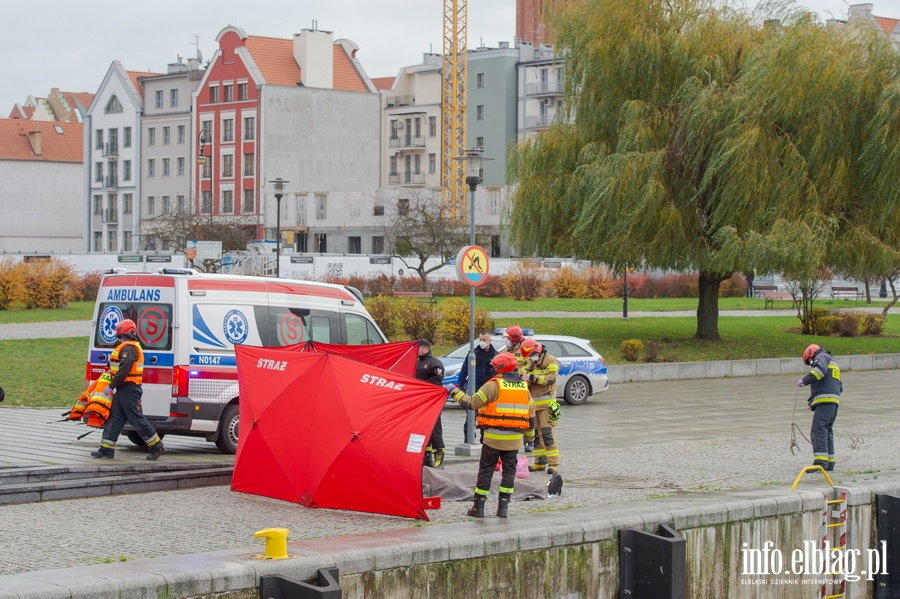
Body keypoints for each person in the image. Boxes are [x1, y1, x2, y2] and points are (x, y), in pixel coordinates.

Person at [446, 352, 534, 518]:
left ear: (499, 368)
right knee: (509, 473)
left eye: (494, 367)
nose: (492, 369)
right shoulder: (524, 388)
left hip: (493, 439)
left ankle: (478, 508)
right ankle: (503, 509)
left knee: (486, 471)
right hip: (514, 441)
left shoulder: (492, 386)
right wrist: (529, 439)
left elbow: (471, 403)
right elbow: (531, 417)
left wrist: (453, 391)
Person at [91, 319, 166, 460]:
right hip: (124, 389)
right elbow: (120, 369)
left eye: (119, 336)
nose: (118, 339)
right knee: (115, 419)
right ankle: (106, 449)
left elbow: (124, 370)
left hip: (129, 390)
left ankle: (158, 447)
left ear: (122, 335)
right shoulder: (129, 347)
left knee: (137, 419)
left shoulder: (128, 349)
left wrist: (111, 385)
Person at [797, 344, 842, 472]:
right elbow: (838, 385)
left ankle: (820, 463)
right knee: (827, 430)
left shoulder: (821, 357)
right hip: (833, 401)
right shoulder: (832, 361)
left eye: (810, 361)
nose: (811, 365)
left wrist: (804, 381)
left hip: (825, 401)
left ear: (812, 354)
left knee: (818, 429)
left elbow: (819, 372)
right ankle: (829, 462)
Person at [520, 339, 561, 473]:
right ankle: (540, 462)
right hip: (534, 406)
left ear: (538, 351)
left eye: (532, 355)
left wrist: (532, 377)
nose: (532, 359)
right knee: (536, 434)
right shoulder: (532, 362)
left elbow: (551, 378)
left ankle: (553, 463)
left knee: (547, 433)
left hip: (546, 405)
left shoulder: (551, 360)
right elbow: (522, 372)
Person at [457, 329, 497, 444]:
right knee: (470, 416)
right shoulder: (473, 354)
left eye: (484, 340)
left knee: (486, 416)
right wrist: (460, 385)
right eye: (480, 339)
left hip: (488, 390)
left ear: (490, 340)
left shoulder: (494, 355)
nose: (482, 342)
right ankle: (468, 439)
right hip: (474, 389)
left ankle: (484, 440)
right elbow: (464, 370)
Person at [416, 338, 446, 468]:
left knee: (435, 430)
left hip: (432, 402)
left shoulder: (435, 363)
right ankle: (426, 456)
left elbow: (437, 381)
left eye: (418, 348)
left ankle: (439, 457)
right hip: (419, 402)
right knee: (422, 429)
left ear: (426, 348)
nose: (416, 351)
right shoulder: (416, 362)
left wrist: (421, 386)